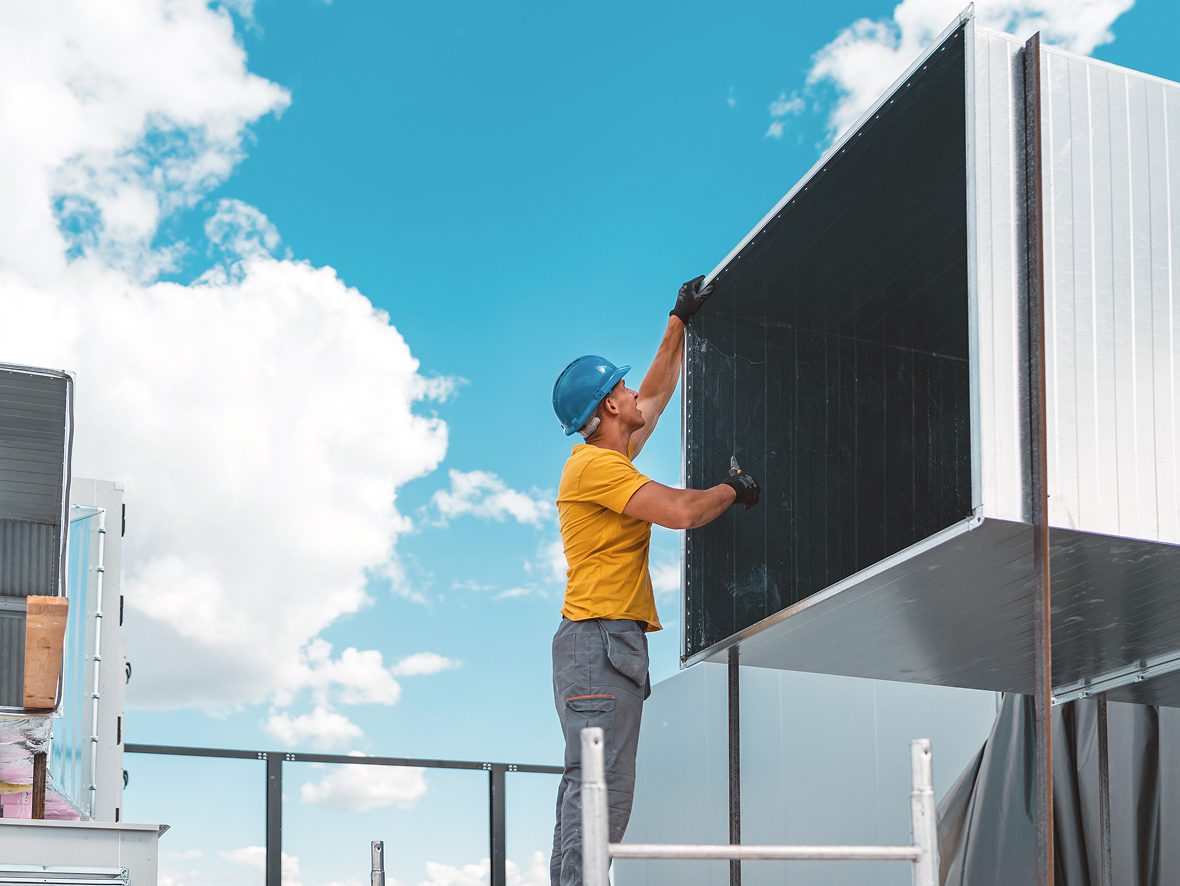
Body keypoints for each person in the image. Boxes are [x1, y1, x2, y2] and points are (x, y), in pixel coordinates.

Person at [548, 275, 761, 885]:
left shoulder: (608, 455)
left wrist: (678, 321)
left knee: (597, 790)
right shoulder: (593, 468)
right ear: (609, 406)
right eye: (621, 385)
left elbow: (659, 394)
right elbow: (682, 513)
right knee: (598, 793)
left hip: (606, 645)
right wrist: (735, 488)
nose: (632, 389)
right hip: (598, 643)